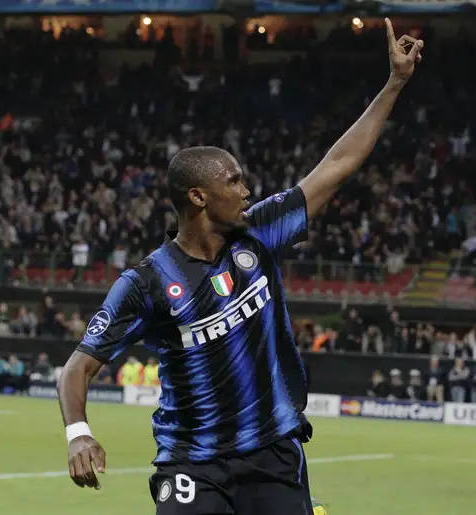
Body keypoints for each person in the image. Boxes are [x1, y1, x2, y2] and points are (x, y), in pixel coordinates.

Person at [57, 19, 424, 515]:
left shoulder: (260, 231)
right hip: (192, 463)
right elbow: (77, 367)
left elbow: (337, 165)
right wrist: (79, 433)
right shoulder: (145, 283)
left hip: (273, 453)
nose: (246, 190)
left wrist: (395, 83)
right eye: (233, 181)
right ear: (198, 196)